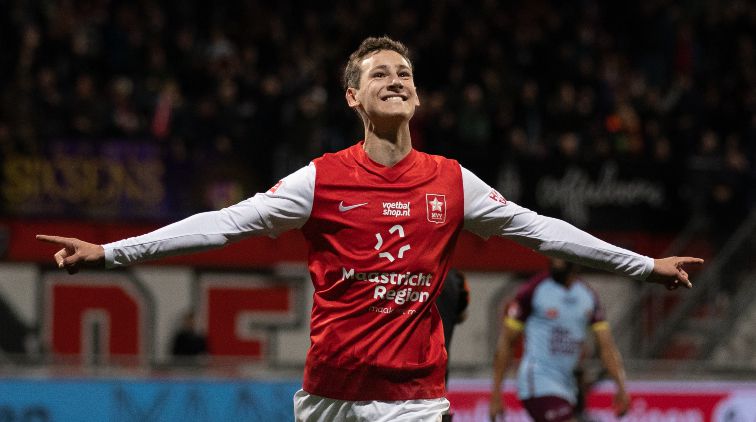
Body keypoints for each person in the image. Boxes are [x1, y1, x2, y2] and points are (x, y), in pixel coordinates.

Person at [36, 36, 703, 421]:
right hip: (329, 396)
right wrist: (111, 254)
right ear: (353, 97)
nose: (396, 79)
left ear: (416, 96)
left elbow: (542, 231)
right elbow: (224, 225)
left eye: (404, 73)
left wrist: (642, 265)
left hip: (414, 400)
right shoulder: (321, 180)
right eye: (379, 73)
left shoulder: (451, 180)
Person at [489, 259, 629, 422]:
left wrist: (621, 387)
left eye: (560, 257)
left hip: (567, 387)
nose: (555, 261)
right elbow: (507, 341)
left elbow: (606, 346)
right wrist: (496, 393)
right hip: (538, 381)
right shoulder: (534, 289)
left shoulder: (587, 296)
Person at [436, 268, 469, 422]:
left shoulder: (401, 272)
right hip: (438, 373)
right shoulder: (456, 278)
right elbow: (462, 315)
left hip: (392, 376)